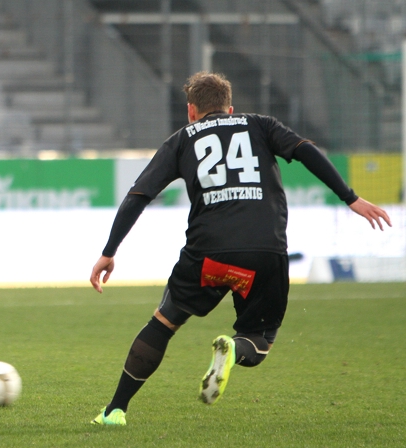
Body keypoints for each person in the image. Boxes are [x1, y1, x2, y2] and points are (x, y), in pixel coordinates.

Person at [89, 71, 392, 426]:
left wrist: (110, 251)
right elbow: (305, 150)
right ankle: (234, 349)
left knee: (164, 322)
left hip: (208, 254)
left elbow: (137, 196)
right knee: (258, 339)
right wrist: (350, 198)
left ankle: (115, 411)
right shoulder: (261, 125)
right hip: (265, 251)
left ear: (191, 111)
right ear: (230, 109)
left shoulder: (181, 139)